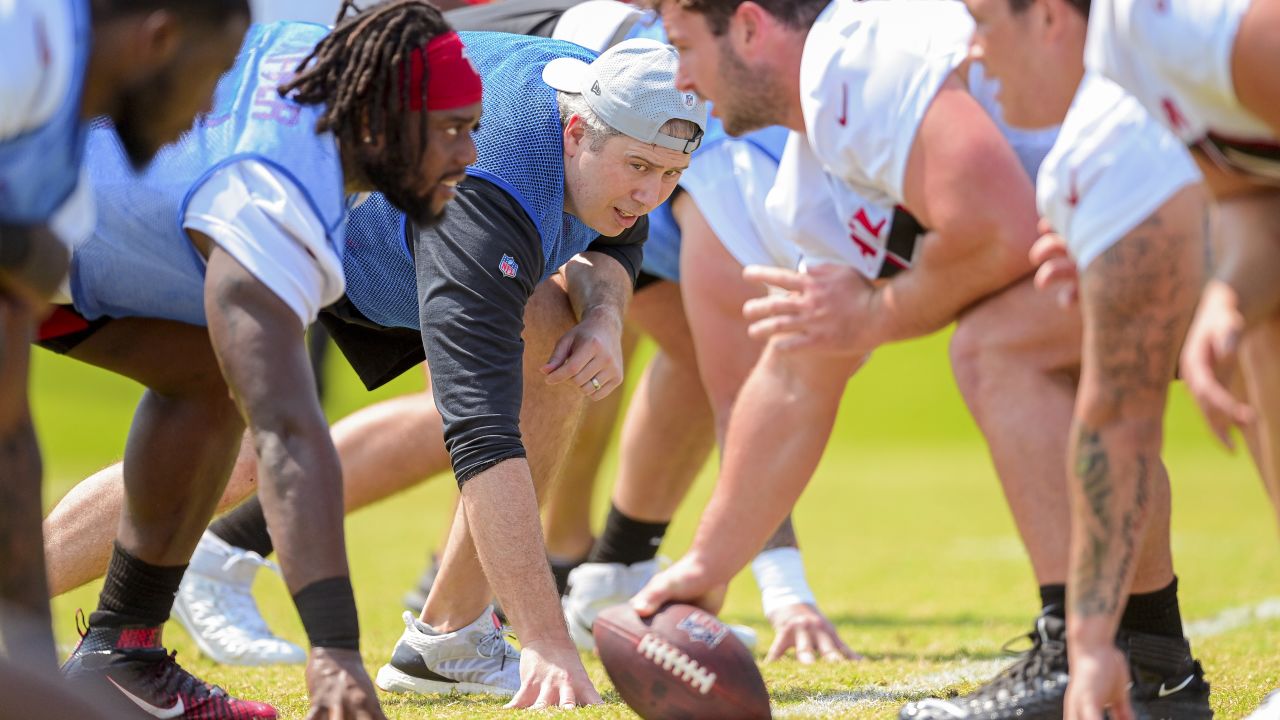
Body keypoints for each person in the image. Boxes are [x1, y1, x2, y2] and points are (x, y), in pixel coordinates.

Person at [40, 26, 705, 710]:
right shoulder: (468, 200)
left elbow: (618, 237)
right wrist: (545, 641)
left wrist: (604, 313)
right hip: (90, 226)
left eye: (671, 174)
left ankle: (449, 640)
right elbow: (476, 434)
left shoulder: (619, 101)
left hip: (215, 207)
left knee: (551, 340)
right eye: (638, 168)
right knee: (235, 440)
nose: (651, 193)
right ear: (574, 132)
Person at [631, 1, 1213, 719]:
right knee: (1026, 350)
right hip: (1157, 219)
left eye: (684, 47)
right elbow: (796, 373)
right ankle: (1154, 665)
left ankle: (1081, 655)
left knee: (996, 347)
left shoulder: (853, 61)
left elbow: (999, 227)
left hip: (1215, 202)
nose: (682, 80)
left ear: (750, 27)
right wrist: (708, 562)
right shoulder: (811, 183)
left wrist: (876, 313)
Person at [38, 2, 483, 717]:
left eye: (474, 127)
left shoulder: (329, 66)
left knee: (207, 378)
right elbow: (287, 436)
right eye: (452, 130)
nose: (469, 155)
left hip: (52, 244)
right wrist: (335, 649)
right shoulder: (271, 198)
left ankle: (125, 653)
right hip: (24, 220)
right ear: (377, 125)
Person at [962, 0, 1280, 718]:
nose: (971, 52)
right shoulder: (1109, 140)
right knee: (1261, 328)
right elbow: (1119, 411)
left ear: (1049, 18)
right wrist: (1094, 643)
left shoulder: (1176, 28)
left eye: (981, 19)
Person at [0, 0, 249, 669]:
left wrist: (22, 652)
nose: (206, 114)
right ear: (160, 38)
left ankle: (123, 654)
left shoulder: (64, 139)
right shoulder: (18, 46)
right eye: (214, 75)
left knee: (209, 369)